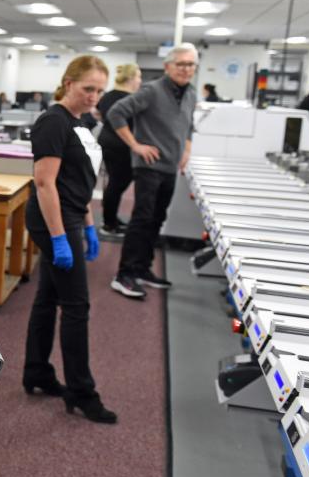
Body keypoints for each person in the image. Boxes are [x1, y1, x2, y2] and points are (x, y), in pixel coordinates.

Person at [22, 55, 116, 424]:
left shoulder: (81, 123)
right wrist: (61, 237)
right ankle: (82, 392)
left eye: (100, 90)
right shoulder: (53, 121)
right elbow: (45, 184)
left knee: (49, 298)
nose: (94, 96)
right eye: (88, 88)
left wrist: (89, 221)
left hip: (73, 217)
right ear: (68, 83)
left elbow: (79, 179)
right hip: (53, 221)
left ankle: (37, 372)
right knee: (77, 305)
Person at [108, 43, 197, 299]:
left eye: (190, 64)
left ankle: (142, 268)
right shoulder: (152, 90)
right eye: (181, 64)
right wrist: (135, 145)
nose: (186, 69)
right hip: (148, 167)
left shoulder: (191, 94)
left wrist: (187, 150)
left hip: (170, 167)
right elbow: (116, 113)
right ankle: (124, 274)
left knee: (157, 219)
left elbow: (189, 124)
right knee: (142, 219)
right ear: (168, 66)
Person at [97, 63, 141, 236]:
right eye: (138, 77)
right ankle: (109, 224)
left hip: (108, 142)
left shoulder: (108, 96)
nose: (139, 81)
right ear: (130, 78)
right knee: (117, 183)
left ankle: (111, 218)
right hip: (120, 145)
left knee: (115, 183)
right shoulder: (129, 99)